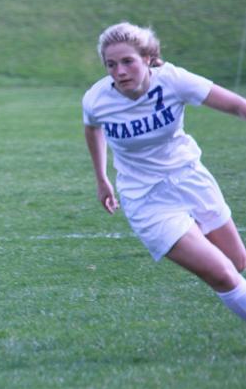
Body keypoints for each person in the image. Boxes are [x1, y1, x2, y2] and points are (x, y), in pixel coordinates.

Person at [83, 21, 246, 322]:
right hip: (146, 199)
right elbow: (92, 128)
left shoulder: (173, 80)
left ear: (147, 58)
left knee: (236, 262)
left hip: (190, 179)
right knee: (223, 275)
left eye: (128, 61)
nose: (120, 72)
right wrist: (102, 178)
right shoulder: (97, 99)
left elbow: (239, 106)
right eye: (111, 64)